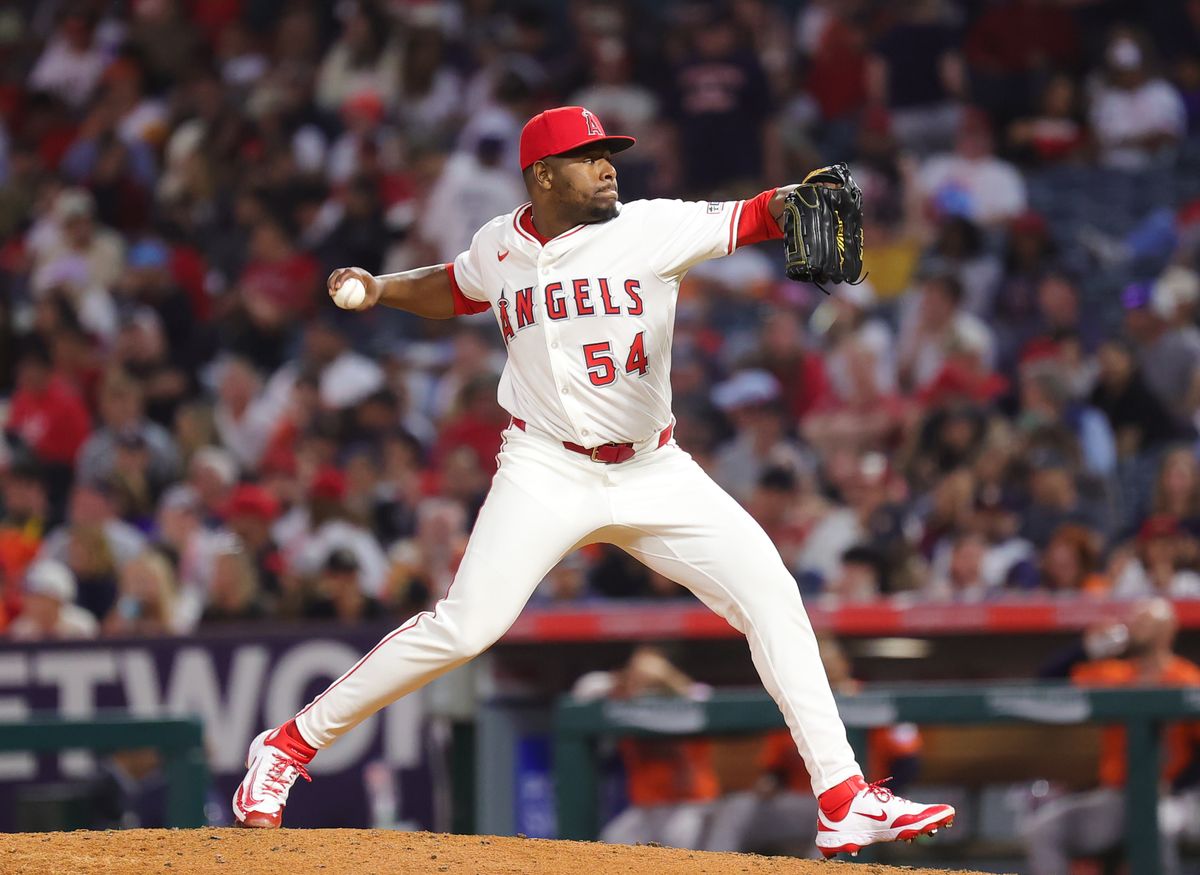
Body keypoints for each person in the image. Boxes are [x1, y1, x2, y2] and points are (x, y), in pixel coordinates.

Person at [232, 105, 954, 857]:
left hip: (652, 467)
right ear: (543, 176)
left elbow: (754, 216)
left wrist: (786, 205)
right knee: (466, 626)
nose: (609, 166)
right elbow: (455, 286)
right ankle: (287, 744)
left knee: (773, 594)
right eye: (590, 157)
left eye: (611, 153)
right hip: (546, 466)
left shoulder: (650, 226)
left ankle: (843, 797)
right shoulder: (499, 243)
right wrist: (381, 287)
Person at [1024, 599, 1200, 875]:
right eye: (1134, 619)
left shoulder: (1188, 678)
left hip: (1176, 798)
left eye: (1145, 620)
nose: (1135, 625)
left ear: (1168, 630)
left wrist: (1176, 784)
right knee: (1046, 829)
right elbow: (1046, 681)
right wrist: (1085, 649)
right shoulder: (1116, 674)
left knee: (1156, 826)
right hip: (1118, 798)